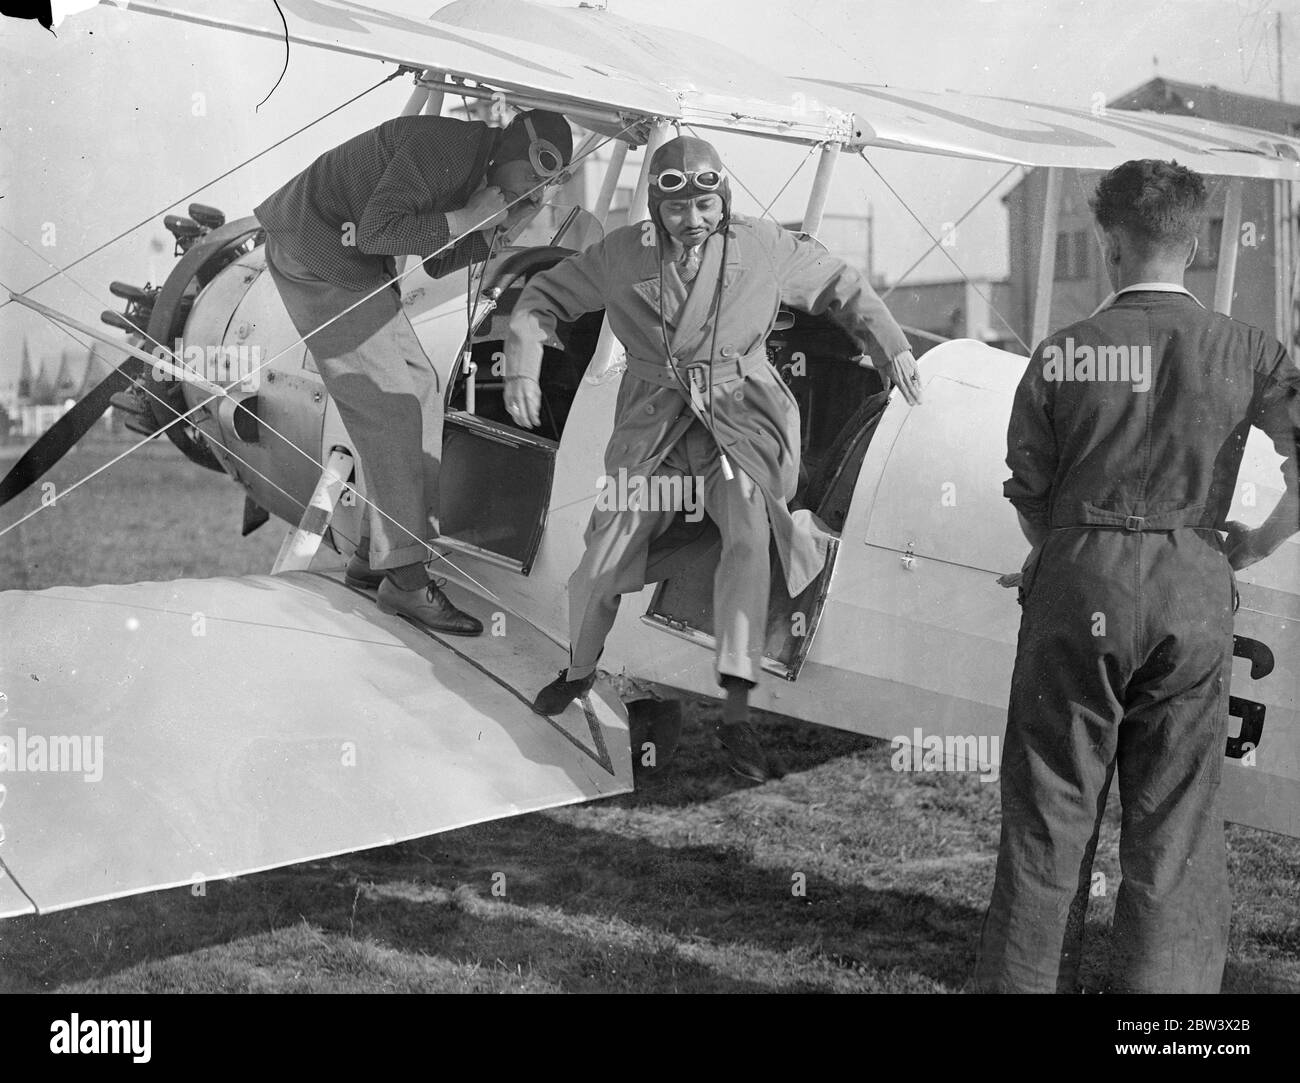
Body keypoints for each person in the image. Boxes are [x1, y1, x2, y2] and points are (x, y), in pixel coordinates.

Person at [974, 159, 1300, 993]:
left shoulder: (1063, 353)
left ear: (1108, 242)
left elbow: (1031, 493)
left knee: (1049, 812)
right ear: (1194, 245)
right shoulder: (1250, 350)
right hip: (1193, 587)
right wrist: (1257, 540)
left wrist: (1061, 559)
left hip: (1078, 583)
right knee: (1175, 824)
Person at [503, 135, 922, 780]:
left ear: (722, 199)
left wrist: (890, 347)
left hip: (741, 423)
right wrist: (523, 367)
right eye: (676, 211)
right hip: (656, 431)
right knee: (606, 549)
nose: (691, 222)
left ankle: (735, 707)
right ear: (654, 206)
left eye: (705, 206)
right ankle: (580, 671)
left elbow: (842, 284)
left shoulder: (764, 246)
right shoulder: (620, 254)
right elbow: (542, 298)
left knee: (751, 539)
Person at [255, 109, 573, 634]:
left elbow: (437, 262)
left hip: (353, 260)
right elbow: (379, 233)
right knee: (390, 406)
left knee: (422, 389)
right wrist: (468, 218)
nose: (537, 190)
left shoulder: (482, 172)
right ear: (513, 149)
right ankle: (405, 581)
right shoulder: (443, 148)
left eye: (548, 186)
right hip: (317, 253)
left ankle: (375, 550)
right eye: (534, 177)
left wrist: (502, 219)